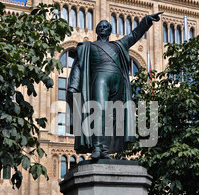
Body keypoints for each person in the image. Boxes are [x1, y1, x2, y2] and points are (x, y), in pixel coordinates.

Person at [66, 13, 162, 159]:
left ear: (110, 30)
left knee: (112, 116)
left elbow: (134, 35)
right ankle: (97, 146)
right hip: (100, 79)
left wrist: (146, 21)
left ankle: (104, 148)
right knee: (99, 111)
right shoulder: (87, 47)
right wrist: (73, 85)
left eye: (106, 26)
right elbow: (79, 66)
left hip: (119, 84)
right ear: (97, 31)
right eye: (100, 26)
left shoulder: (118, 44)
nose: (103, 28)